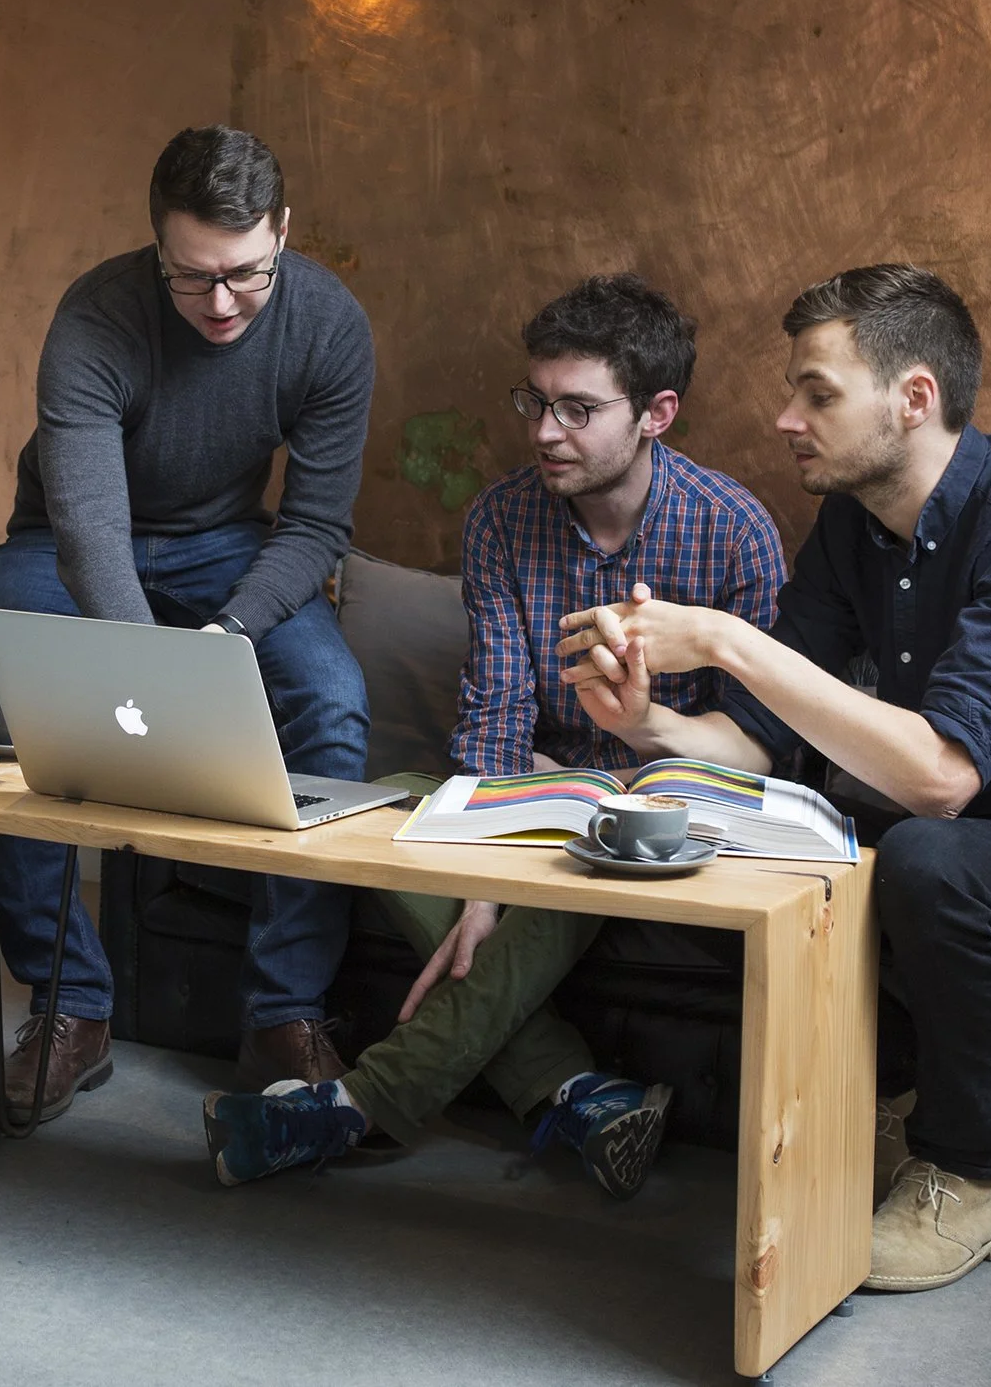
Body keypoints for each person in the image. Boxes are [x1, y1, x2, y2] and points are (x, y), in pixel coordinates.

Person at [202, 274, 786, 1194]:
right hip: (541, 790)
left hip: (677, 809)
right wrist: (481, 881)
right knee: (388, 799)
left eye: (578, 409)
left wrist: (635, 745)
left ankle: (356, 1108)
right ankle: (576, 1092)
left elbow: (754, 744)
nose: (546, 431)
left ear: (657, 414)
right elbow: (498, 713)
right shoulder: (502, 520)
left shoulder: (735, 534)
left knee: (614, 826)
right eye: (536, 402)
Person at [558, 263, 991, 1290]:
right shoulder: (852, 527)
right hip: (961, 850)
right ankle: (884, 1117)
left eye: (817, 393)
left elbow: (939, 779)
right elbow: (757, 745)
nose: (786, 418)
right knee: (751, 841)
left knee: (924, 852)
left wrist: (726, 639)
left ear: (913, 397)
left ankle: (970, 1181)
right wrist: (648, 722)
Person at [0, 125, 375, 1122]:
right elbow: (90, 532)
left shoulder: (329, 324)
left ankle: (282, 1013)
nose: (221, 304)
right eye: (192, 279)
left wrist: (228, 636)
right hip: (64, 542)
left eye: (246, 275)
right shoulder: (96, 316)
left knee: (333, 698)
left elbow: (316, 527)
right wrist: (156, 678)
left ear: (283, 231)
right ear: (155, 247)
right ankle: (72, 1004)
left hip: (231, 548)